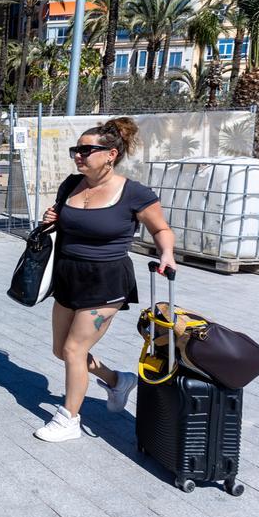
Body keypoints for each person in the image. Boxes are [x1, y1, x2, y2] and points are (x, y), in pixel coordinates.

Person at [36, 117, 177, 443]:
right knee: (62, 350)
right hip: (68, 276)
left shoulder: (133, 193)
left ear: (111, 154)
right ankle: (117, 381)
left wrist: (166, 253)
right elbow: (63, 221)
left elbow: (161, 229)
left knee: (74, 348)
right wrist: (51, 220)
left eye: (86, 150)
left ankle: (68, 418)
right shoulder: (71, 185)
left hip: (106, 282)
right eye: (76, 149)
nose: (78, 155)